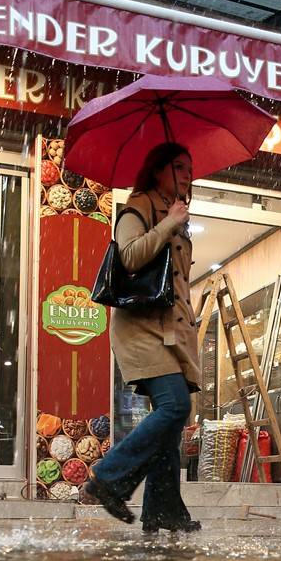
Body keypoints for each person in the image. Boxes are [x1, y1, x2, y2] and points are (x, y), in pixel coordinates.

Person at [80, 142, 201, 533]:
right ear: (158, 171)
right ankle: (107, 478)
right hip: (142, 329)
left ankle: (163, 511)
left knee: (168, 425)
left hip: (171, 333)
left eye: (189, 169)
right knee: (174, 407)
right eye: (179, 167)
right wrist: (168, 224)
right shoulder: (137, 210)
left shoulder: (174, 214)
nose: (187, 175)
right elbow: (129, 256)